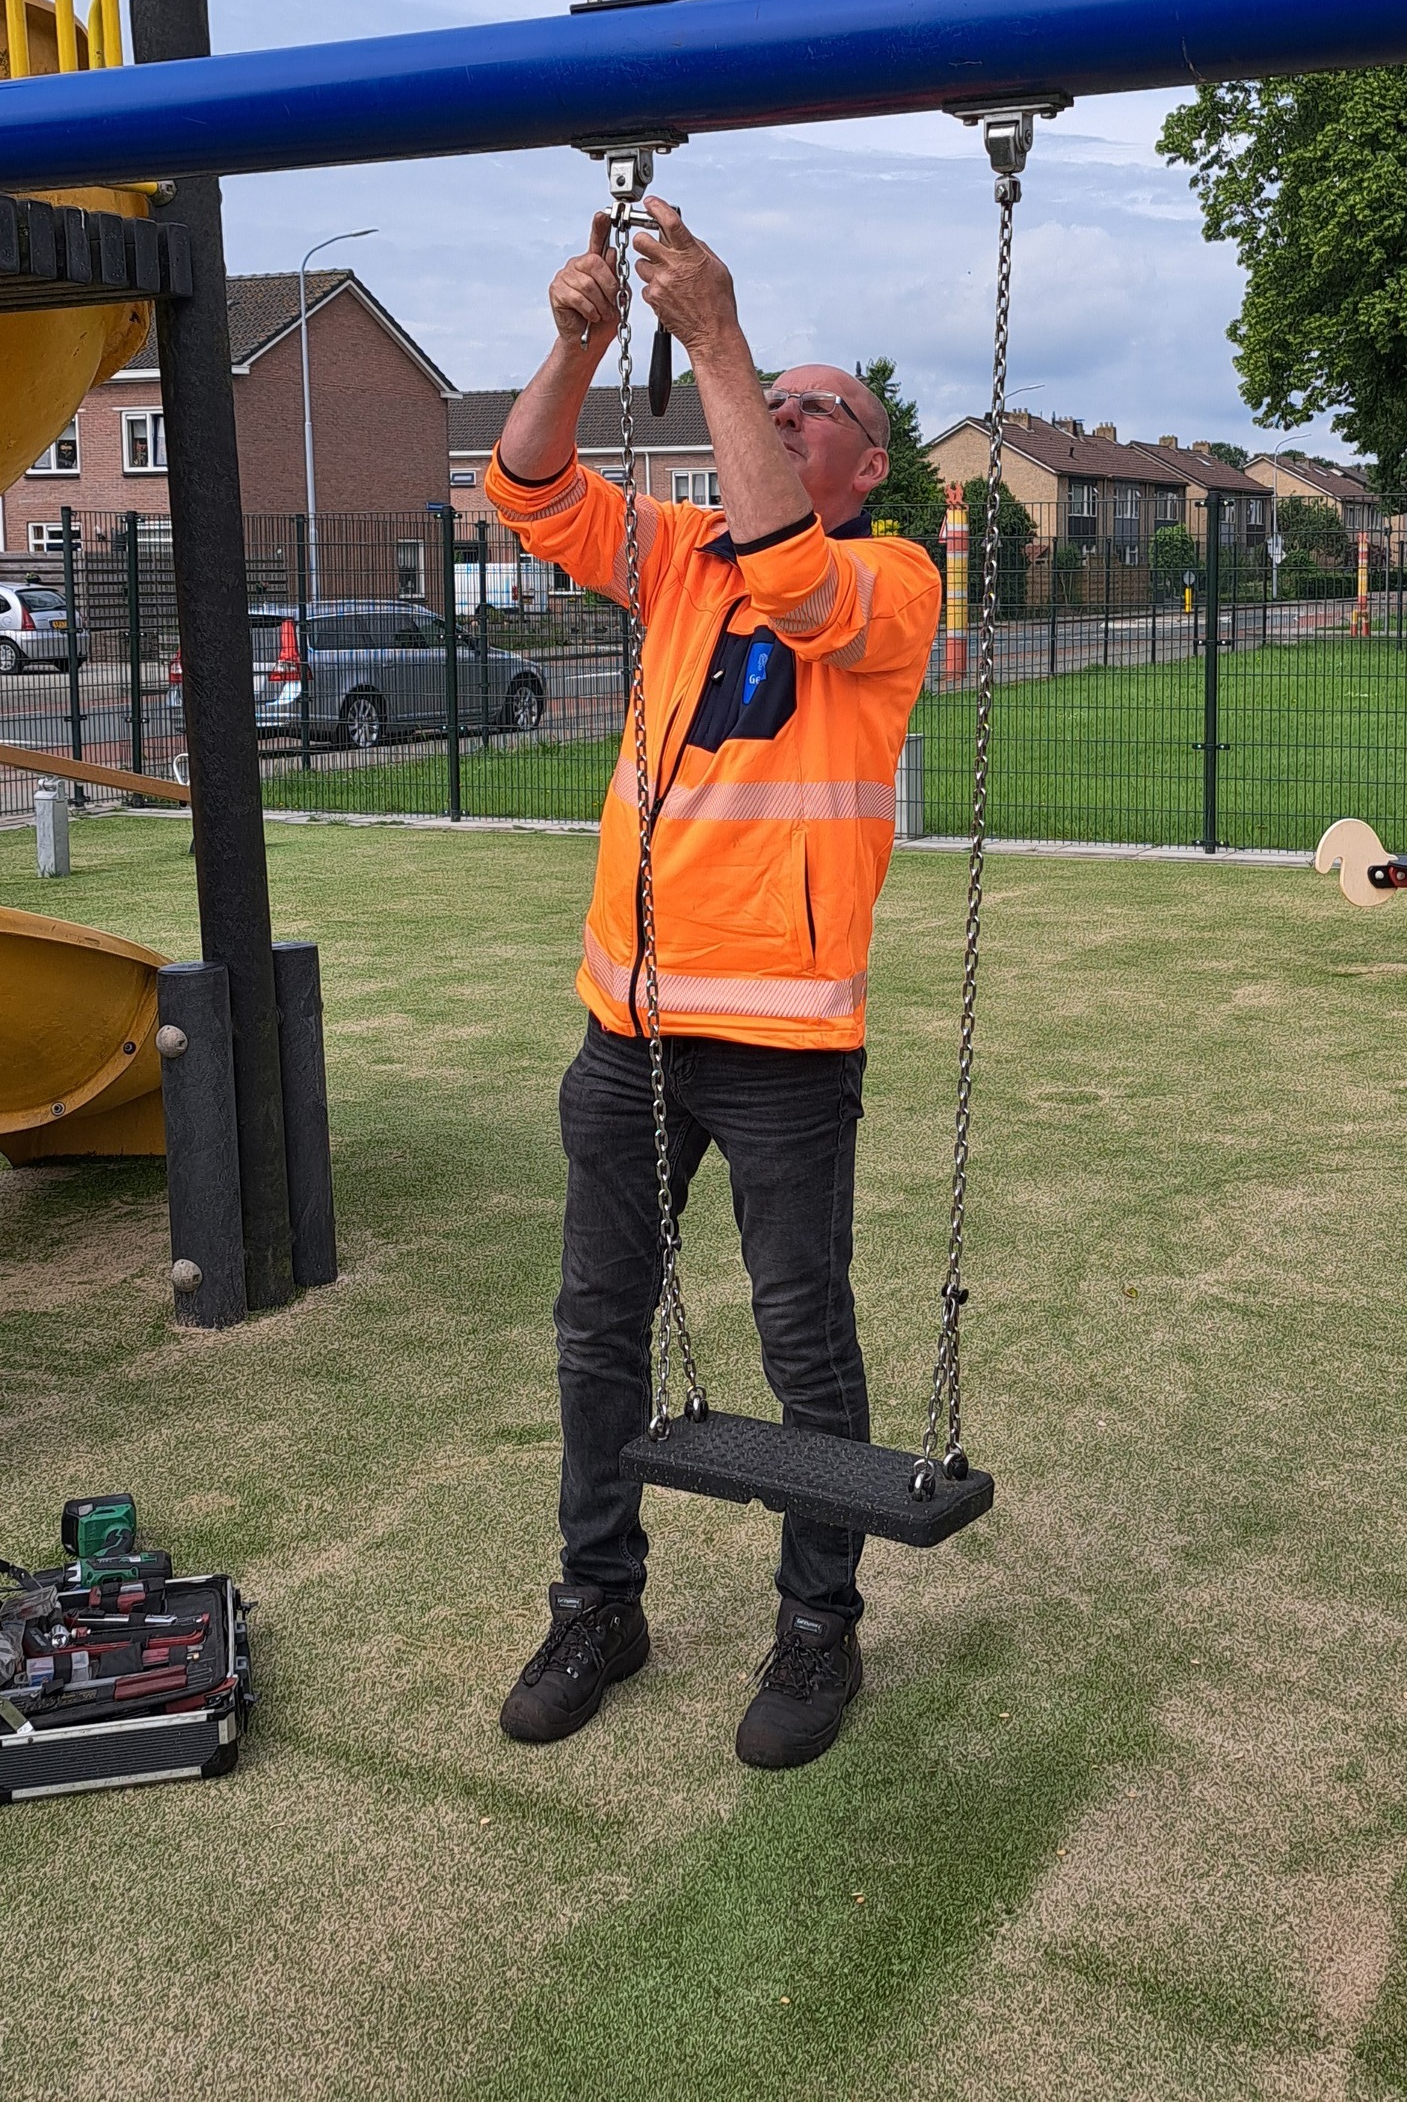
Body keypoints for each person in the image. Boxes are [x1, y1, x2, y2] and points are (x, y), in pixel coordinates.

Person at [484, 197, 942, 1770]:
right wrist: (579, 341)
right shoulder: (678, 559)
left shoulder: (894, 584)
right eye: (782, 398)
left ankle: (819, 1630)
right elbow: (529, 489)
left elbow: (796, 585)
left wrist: (727, 343)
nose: (798, 414)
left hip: (785, 1045)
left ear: (871, 466)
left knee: (801, 1335)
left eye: (832, 408)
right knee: (596, 1321)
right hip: (631, 1028)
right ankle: (597, 1599)